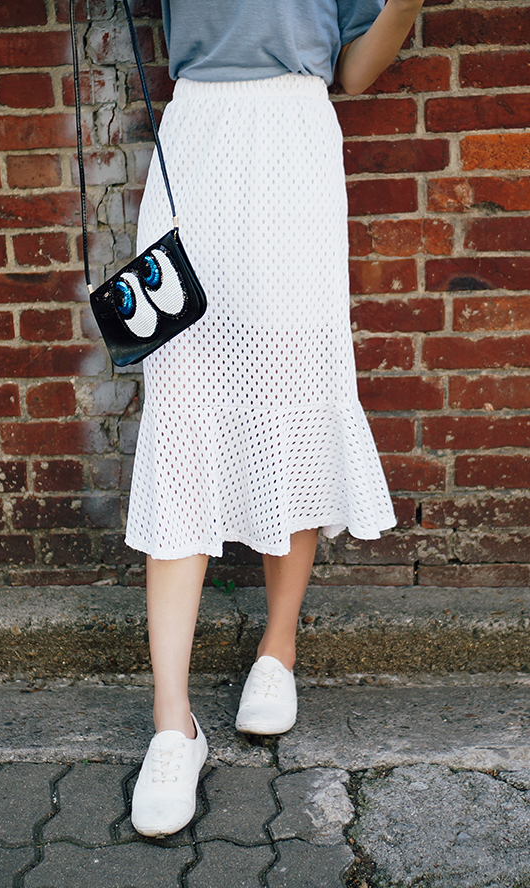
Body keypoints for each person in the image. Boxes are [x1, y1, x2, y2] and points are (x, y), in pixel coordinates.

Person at [126, 0, 424, 837]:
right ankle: (172, 725)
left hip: (295, 142)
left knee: (289, 394)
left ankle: (278, 647)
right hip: (195, 143)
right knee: (181, 413)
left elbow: (354, 69)